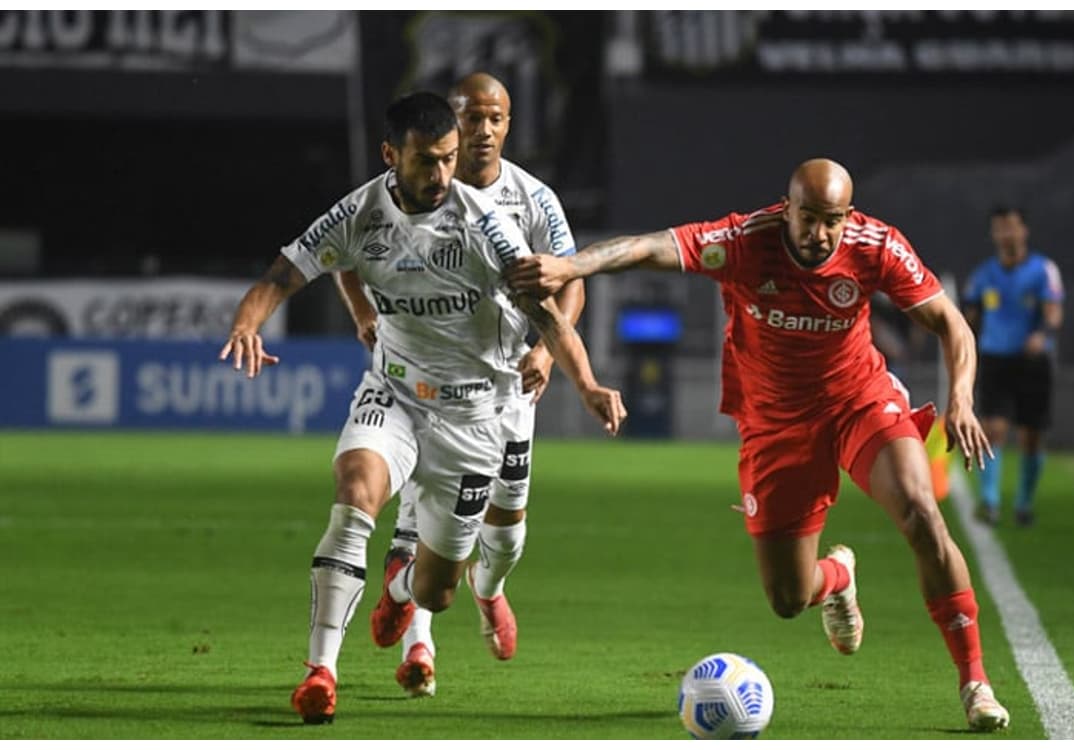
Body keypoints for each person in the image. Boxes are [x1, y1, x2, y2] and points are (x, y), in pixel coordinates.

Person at [505, 158, 1011, 732]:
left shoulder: (876, 246)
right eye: (808, 219)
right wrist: (570, 265)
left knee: (921, 511)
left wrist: (961, 399)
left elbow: (951, 323)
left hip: (859, 402)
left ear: (848, 216)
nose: (819, 234)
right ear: (786, 208)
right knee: (789, 598)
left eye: (832, 221)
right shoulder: (746, 241)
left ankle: (975, 683)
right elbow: (646, 247)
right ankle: (838, 579)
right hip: (775, 426)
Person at [219, 91, 625, 724]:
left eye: (447, 160)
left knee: (437, 587)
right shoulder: (359, 212)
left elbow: (549, 314)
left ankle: (402, 588)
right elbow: (283, 274)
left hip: (474, 418)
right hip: (396, 393)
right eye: (426, 161)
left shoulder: (487, 226)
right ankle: (320, 670)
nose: (440, 176)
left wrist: (587, 382)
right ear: (391, 156)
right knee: (356, 493)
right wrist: (249, 323)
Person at [331, 73, 585, 696]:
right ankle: (421, 639)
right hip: (425, 389)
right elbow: (347, 251)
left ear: (508, 124)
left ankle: (488, 589)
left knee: (505, 533)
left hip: (507, 389)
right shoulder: (402, 195)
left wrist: (548, 355)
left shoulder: (533, 198)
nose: (483, 131)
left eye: (495, 119)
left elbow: (571, 279)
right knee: (427, 513)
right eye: (471, 119)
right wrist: (364, 312)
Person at [960, 207, 1065, 527]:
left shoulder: (1043, 270)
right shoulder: (983, 276)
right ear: (993, 234)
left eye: (1011, 228)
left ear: (1024, 231)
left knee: (1031, 436)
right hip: (994, 359)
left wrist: (1041, 335)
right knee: (993, 430)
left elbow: (1054, 312)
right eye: (999, 229)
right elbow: (970, 317)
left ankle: (1024, 502)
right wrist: (961, 341)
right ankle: (990, 502)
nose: (1006, 234)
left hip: (1032, 361)